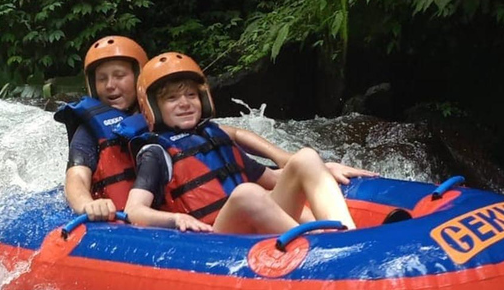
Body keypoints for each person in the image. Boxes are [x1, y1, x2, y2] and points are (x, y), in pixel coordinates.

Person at [54, 36, 302, 221]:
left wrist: (283, 158)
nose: (110, 85)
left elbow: (227, 136)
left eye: (119, 75)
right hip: (129, 216)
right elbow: (76, 178)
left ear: (140, 77)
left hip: (174, 206)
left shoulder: (163, 113)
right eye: (102, 79)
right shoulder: (89, 132)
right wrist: (88, 205)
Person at [124, 52, 374, 233]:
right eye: (172, 98)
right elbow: (134, 210)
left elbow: (275, 179)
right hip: (215, 238)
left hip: (254, 226)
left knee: (305, 157)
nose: (185, 103)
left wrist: (324, 169)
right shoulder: (156, 153)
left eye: (191, 95)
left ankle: (345, 238)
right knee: (246, 193)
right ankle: (315, 248)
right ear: (153, 108)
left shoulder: (215, 137)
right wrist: (175, 219)